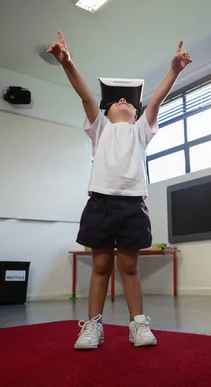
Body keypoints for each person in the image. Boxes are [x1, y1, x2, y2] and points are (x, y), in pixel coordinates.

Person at [47, 30, 192, 350]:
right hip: (100, 203)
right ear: (106, 112)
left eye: (128, 101)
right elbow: (86, 97)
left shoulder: (142, 130)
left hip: (132, 206)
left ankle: (138, 324)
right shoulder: (99, 128)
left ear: (137, 114)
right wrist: (67, 63)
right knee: (100, 265)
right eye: (115, 101)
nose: (122, 101)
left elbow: (154, 101)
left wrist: (175, 70)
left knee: (129, 266)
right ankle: (93, 326)